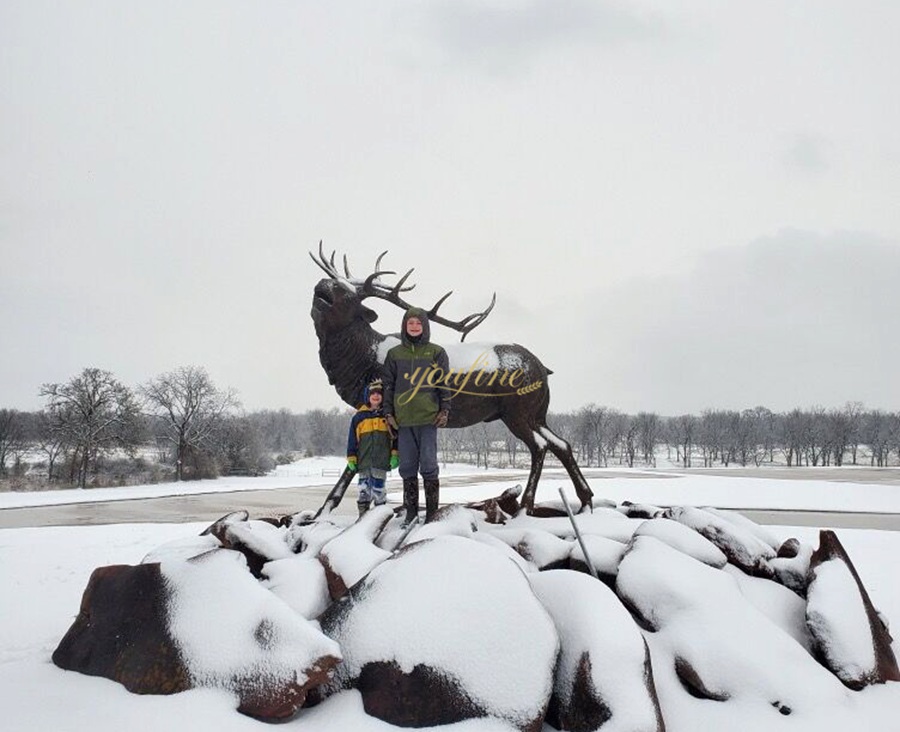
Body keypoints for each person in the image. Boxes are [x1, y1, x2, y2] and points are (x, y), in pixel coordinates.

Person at [382, 307, 450, 526]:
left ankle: (432, 516)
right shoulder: (395, 354)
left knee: (429, 466)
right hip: (403, 420)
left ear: (425, 326)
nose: (414, 327)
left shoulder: (436, 352)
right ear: (404, 326)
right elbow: (388, 387)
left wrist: (444, 409)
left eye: (418, 323)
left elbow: (443, 384)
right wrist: (388, 413)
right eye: (410, 323)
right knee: (407, 467)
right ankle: (411, 514)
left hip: (428, 418)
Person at [346, 378, 399, 517]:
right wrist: (351, 458)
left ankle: (379, 517)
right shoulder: (359, 417)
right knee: (363, 489)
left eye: (379, 393)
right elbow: (352, 440)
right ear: (367, 396)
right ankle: (362, 517)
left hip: (381, 461)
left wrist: (394, 454)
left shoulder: (387, 417)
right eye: (372, 393)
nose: (376, 396)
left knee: (378, 489)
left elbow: (395, 437)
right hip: (364, 461)